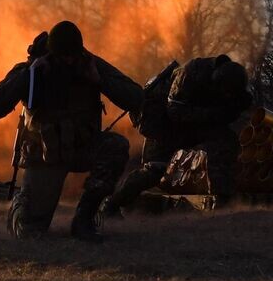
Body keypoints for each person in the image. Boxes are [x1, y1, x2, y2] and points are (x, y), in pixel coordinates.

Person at [0, 21, 141, 241]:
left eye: (72, 56)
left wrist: (100, 80)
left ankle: (85, 218)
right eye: (62, 56)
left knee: (116, 146)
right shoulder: (33, 68)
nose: (68, 61)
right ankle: (23, 204)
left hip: (82, 148)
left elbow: (136, 98)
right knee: (30, 233)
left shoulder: (89, 65)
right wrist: (27, 76)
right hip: (45, 156)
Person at [105, 55, 251, 213]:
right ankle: (112, 205)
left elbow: (239, 105)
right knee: (155, 170)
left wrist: (230, 111)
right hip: (162, 122)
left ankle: (224, 200)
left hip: (191, 121)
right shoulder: (190, 74)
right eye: (226, 93)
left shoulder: (231, 84)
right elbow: (175, 111)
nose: (228, 96)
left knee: (224, 142)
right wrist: (214, 115)